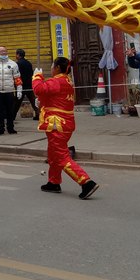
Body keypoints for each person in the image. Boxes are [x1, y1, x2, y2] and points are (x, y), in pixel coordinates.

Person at [32, 57, 99, 199]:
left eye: (52, 66)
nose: (51, 68)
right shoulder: (67, 81)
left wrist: (37, 76)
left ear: (57, 68)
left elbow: (38, 89)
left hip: (57, 125)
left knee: (61, 156)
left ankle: (86, 182)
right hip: (64, 123)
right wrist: (41, 102)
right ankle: (53, 182)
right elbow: (54, 98)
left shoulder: (56, 81)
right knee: (53, 154)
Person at [0, 46, 21, 135]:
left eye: (5, 51)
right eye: (1, 51)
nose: (3, 52)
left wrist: (19, 90)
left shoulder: (13, 64)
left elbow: (17, 78)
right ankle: (0, 128)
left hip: (9, 91)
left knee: (10, 111)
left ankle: (10, 128)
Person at [12, 49, 39, 122]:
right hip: (29, 85)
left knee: (17, 102)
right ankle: (38, 114)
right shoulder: (28, 63)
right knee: (33, 101)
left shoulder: (17, 64)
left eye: (16, 54)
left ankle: (12, 116)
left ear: (18, 55)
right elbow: (31, 73)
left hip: (21, 86)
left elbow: (16, 75)